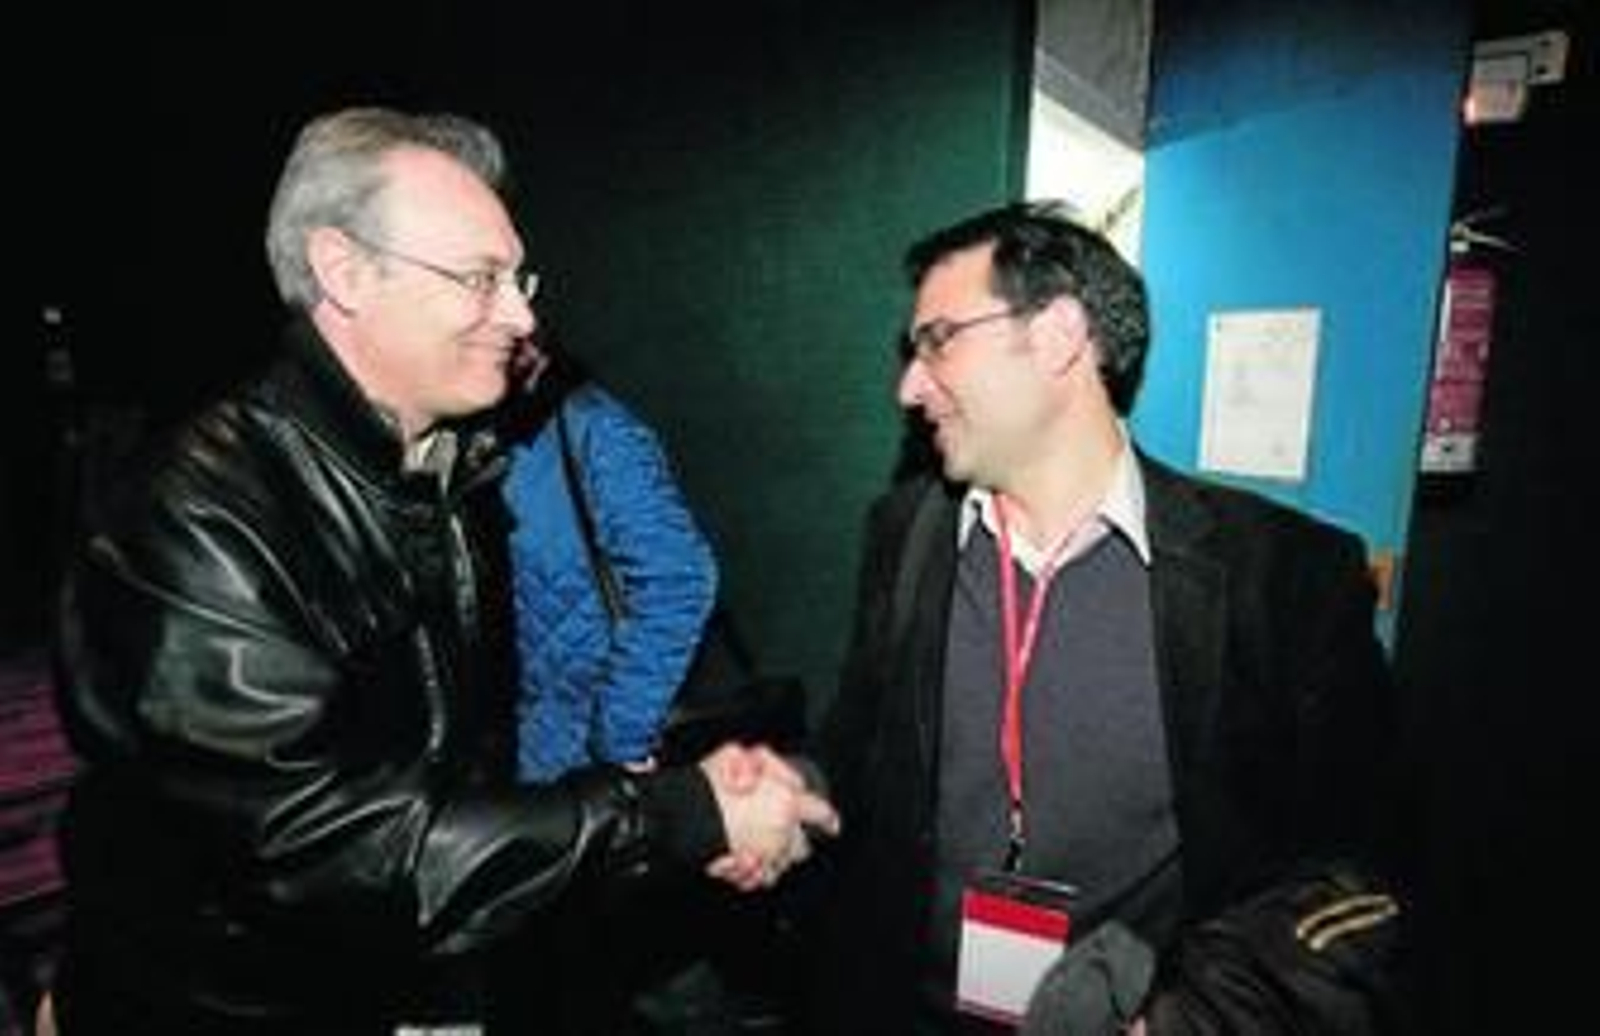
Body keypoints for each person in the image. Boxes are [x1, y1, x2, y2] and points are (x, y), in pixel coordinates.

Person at [48, 105, 835, 1036]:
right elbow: (336, 849)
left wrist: (676, 799)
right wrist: (674, 817)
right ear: (343, 271)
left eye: (518, 277)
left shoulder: (448, 472)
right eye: (479, 278)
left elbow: (452, 779)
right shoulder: (196, 519)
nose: (523, 312)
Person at [792, 201, 1410, 1034]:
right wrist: (786, 800)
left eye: (937, 340)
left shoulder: (1284, 574)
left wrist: (1187, 1019)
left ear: (1056, 337)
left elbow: (1361, 866)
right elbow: (859, 754)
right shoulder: (905, 535)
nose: (909, 385)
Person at [500, 342, 719, 783]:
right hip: (510, 746)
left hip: (576, 750)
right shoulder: (473, 434)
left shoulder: (595, 428)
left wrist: (618, 738)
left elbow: (679, 581)